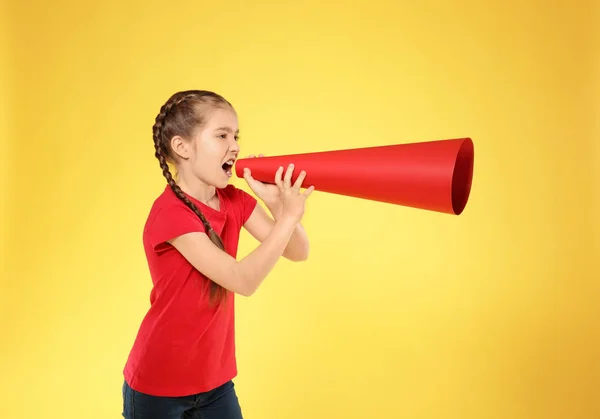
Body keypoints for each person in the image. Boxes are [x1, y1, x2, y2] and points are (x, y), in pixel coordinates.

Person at [121, 90, 314, 419]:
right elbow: (243, 279)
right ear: (182, 147)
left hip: (214, 382)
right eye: (222, 135)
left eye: (236, 135)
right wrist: (290, 217)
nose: (235, 146)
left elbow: (298, 251)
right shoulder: (171, 212)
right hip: (159, 385)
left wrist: (278, 205)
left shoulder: (235, 201)